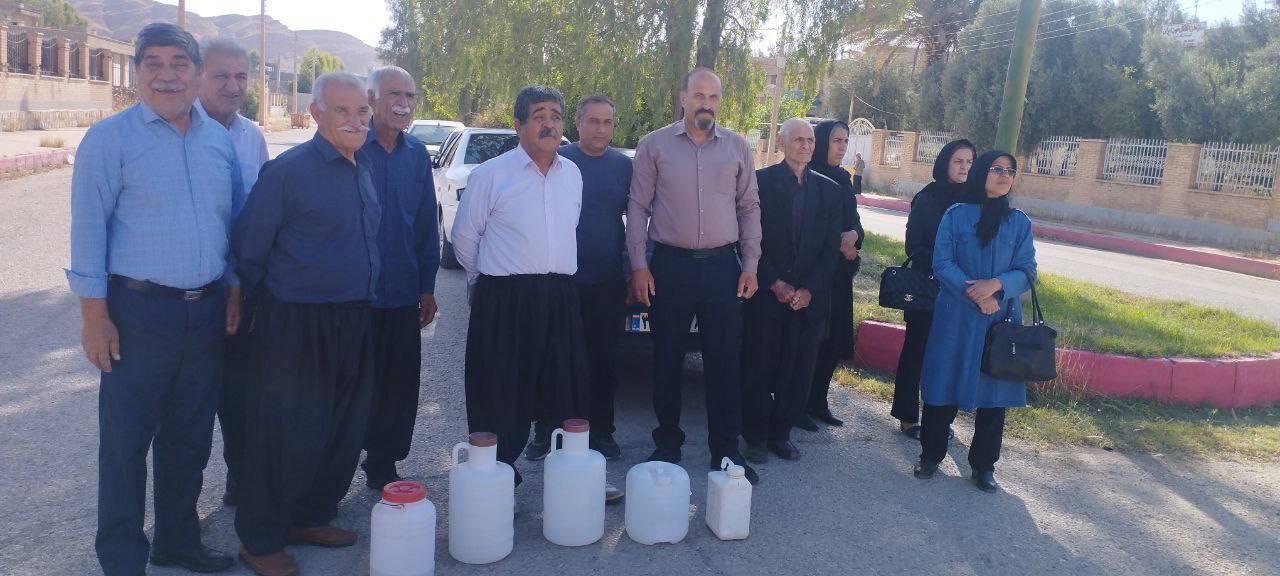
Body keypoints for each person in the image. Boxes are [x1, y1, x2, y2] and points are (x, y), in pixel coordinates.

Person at [68, 23, 242, 575]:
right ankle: (122, 559)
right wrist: (94, 318)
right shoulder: (109, 140)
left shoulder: (218, 141)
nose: (167, 75)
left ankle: (177, 541)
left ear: (196, 72)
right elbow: (88, 232)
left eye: (179, 63)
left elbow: (231, 226)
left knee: (190, 437)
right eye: (154, 63)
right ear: (138, 72)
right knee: (125, 443)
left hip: (205, 311)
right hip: (137, 314)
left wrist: (233, 289)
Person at [232, 72, 380, 576]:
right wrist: (253, 314)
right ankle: (259, 540)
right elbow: (251, 248)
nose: (356, 120)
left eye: (362, 111)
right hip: (297, 322)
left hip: (354, 317)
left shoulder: (361, 165)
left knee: (341, 427)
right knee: (285, 432)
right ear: (316, 113)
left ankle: (310, 516)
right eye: (343, 111)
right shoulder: (288, 172)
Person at [626, 67, 761, 484]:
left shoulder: (737, 148)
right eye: (699, 95)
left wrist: (751, 265)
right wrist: (639, 265)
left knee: (724, 360)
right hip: (671, 266)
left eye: (714, 97)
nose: (707, 104)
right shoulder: (654, 146)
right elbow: (638, 207)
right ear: (683, 98)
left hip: (723, 267)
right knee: (667, 356)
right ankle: (667, 443)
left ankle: (726, 449)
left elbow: (749, 208)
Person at [452, 85, 589, 487]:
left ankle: (571, 479)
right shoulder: (491, 175)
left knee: (565, 387)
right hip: (505, 298)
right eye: (539, 116)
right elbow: (465, 238)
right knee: (500, 390)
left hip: (560, 296)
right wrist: (487, 281)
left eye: (555, 116)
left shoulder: (573, 174)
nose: (549, 124)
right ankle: (496, 482)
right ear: (518, 124)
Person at [912, 150, 1037, 494]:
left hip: (999, 320)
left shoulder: (1019, 222)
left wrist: (996, 286)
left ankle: (984, 466)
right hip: (957, 317)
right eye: (996, 169)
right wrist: (976, 294)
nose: (1003, 175)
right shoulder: (956, 215)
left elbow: (1027, 270)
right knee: (943, 384)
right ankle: (930, 455)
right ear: (981, 173)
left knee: (994, 394)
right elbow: (942, 262)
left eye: (1010, 171)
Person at [526, 95, 631, 466]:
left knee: (603, 361)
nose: (601, 129)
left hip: (607, 280)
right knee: (551, 358)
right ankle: (545, 430)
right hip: (558, 279)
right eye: (594, 121)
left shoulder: (624, 166)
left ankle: (601, 431)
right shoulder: (558, 159)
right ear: (579, 123)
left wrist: (634, 268)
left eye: (607, 122)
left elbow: (637, 220)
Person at [358, 66, 440, 490]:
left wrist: (427, 286)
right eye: (394, 94)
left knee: (399, 385)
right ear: (371, 98)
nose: (403, 103)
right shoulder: (353, 147)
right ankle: (335, 467)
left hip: (403, 293)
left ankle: (383, 463)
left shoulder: (416, 156)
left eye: (409, 95)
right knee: (352, 385)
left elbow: (426, 224)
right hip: (354, 296)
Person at [741, 118, 841, 463]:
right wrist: (774, 282)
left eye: (810, 140)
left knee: (797, 370)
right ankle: (755, 436)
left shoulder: (829, 191)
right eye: (798, 139)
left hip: (807, 301)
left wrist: (810, 289)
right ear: (782, 143)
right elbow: (748, 239)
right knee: (759, 367)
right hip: (767, 294)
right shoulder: (760, 183)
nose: (805, 146)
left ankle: (781, 434)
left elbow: (830, 250)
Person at [197, 36, 270, 508]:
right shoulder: (182, 129)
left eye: (241, 76)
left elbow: (261, 214)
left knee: (244, 396)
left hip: (245, 289)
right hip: (196, 288)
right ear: (199, 76)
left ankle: (242, 485)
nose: (233, 85)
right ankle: (178, 517)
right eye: (221, 75)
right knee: (192, 403)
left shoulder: (252, 136)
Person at [893, 139, 975, 439]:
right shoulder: (928, 198)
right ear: (944, 163)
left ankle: (940, 419)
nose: (965, 168)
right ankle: (907, 417)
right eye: (958, 161)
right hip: (928, 289)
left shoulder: (976, 200)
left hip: (962, 294)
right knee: (917, 353)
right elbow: (914, 246)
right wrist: (947, 265)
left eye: (970, 162)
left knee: (949, 357)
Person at [800, 119, 866, 430]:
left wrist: (854, 236)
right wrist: (837, 244)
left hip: (839, 274)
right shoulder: (807, 176)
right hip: (813, 273)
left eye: (845, 141)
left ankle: (818, 401)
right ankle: (797, 403)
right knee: (809, 342)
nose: (842, 147)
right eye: (836, 141)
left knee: (832, 342)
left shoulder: (843, 179)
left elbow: (855, 221)